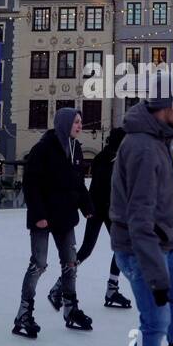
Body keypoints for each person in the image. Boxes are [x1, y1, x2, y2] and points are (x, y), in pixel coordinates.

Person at [110, 73, 173, 346]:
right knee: (153, 322)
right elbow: (139, 217)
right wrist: (157, 276)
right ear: (167, 105)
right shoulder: (144, 147)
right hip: (140, 248)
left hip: (161, 242)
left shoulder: (157, 139)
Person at [13, 107, 95, 338]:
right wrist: (38, 215)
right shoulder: (43, 148)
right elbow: (31, 183)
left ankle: (70, 309)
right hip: (44, 216)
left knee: (70, 263)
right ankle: (23, 313)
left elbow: (78, 183)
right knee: (38, 264)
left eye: (81, 122)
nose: (80, 126)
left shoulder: (76, 149)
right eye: (76, 122)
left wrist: (87, 206)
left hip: (66, 216)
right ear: (64, 123)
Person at [47, 127, 132, 310]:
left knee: (113, 248)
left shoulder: (111, 157)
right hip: (102, 209)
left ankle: (110, 289)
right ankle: (61, 285)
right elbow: (104, 185)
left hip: (103, 209)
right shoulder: (109, 158)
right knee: (94, 249)